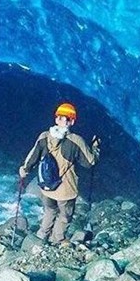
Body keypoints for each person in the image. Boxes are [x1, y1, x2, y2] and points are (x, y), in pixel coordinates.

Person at [19, 102, 100, 244]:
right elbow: (90, 162)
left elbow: (32, 157)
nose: (63, 121)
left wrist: (24, 171)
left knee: (49, 211)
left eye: (63, 118)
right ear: (73, 121)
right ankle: (57, 239)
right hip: (65, 191)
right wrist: (95, 148)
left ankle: (40, 236)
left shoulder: (44, 136)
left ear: (56, 119)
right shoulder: (76, 141)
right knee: (64, 216)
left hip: (46, 187)